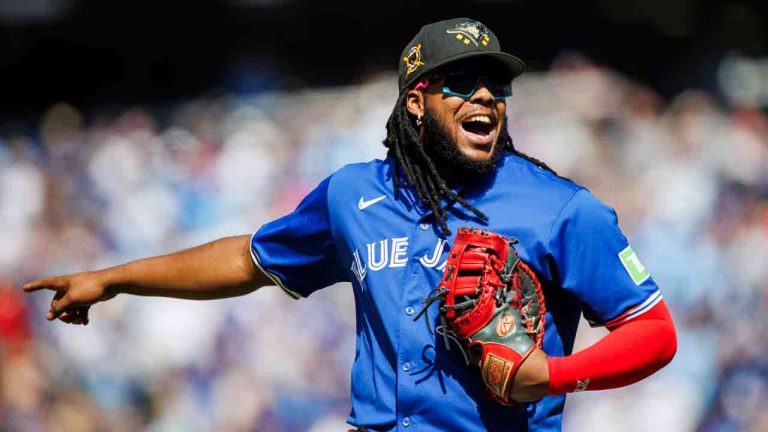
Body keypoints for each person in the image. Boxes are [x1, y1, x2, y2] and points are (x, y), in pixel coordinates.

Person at [25, 18, 677, 431]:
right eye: (461, 82)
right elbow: (248, 261)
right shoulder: (354, 195)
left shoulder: (560, 207)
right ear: (417, 104)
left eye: (494, 86)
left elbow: (654, 331)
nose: (485, 96)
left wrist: (555, 376)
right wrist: (112, 279)